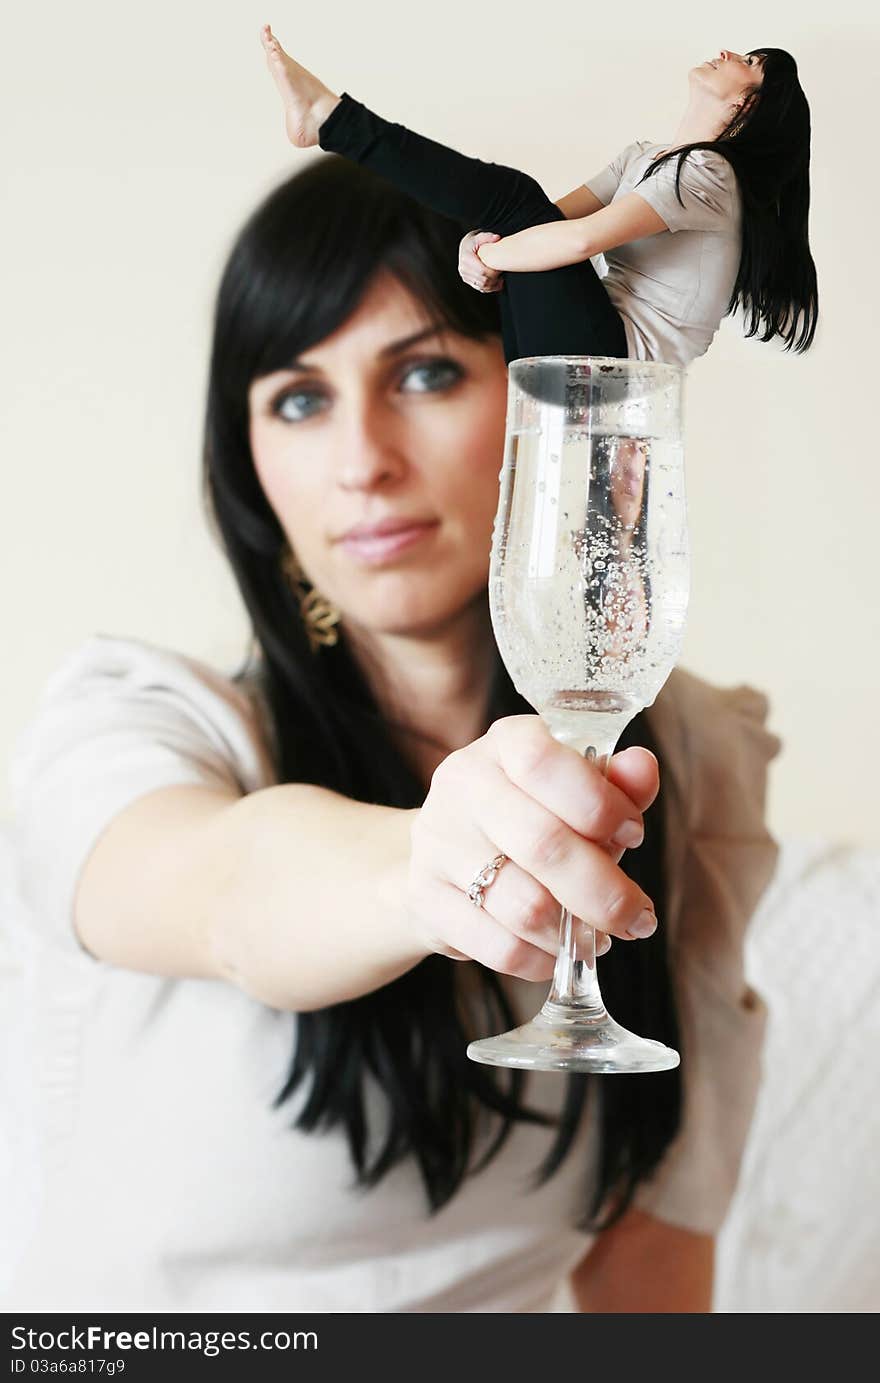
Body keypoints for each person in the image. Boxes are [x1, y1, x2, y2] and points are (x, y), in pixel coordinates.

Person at [3, 156, 780, 1314]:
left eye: (421, 372)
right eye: (299, 399)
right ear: (251, 466)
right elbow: (224, 894)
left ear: (543, 403)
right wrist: (427, 865)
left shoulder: (684, 760)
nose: (360, 459)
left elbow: (650, 1260)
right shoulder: (141, 729)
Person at [260, 26, 818, 369]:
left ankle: (333, 123)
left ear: (748, 109)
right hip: (578, 354)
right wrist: (478, 246)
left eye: (748, 64)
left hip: (614, 369)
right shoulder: (645, 156)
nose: (728, 52)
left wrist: (488, 255)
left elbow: (578, 240)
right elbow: (547, 222)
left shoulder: (711, 174)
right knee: (515, 207)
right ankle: (329, 123)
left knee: (515, 199)